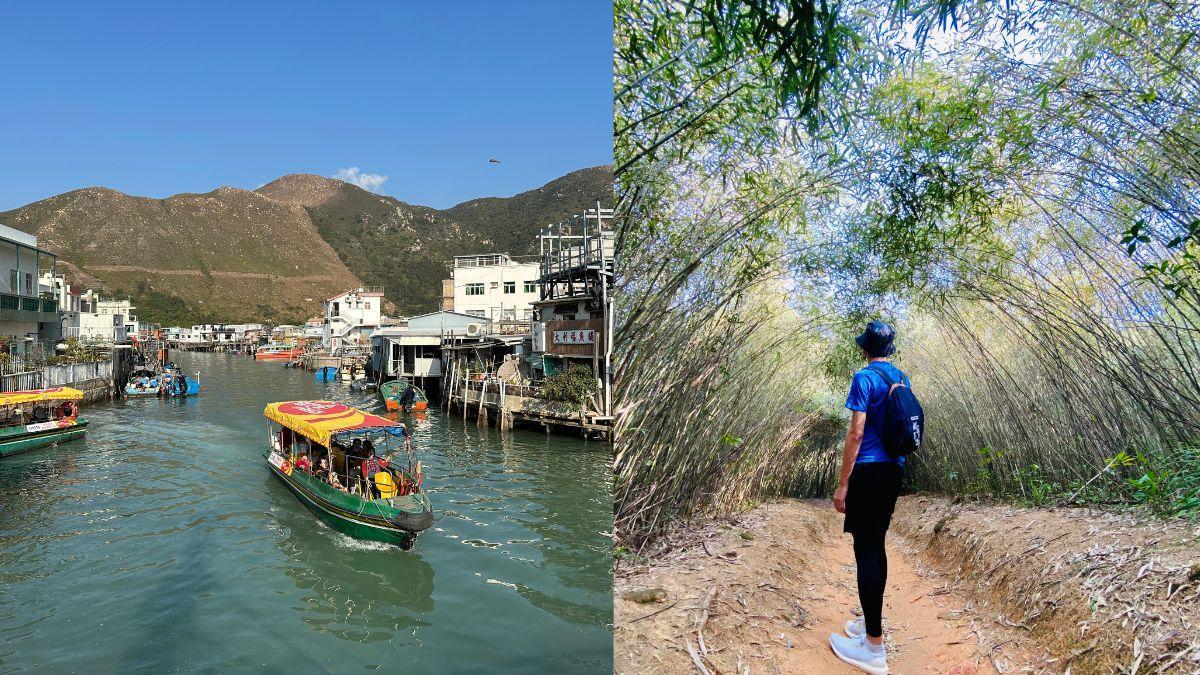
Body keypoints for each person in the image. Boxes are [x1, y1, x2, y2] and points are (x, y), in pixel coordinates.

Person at [829, 321, 910, 674]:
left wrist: (843, 483)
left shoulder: (865, 378)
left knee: (867, 549)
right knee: (876, 545)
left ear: (865, 347)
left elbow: (856, 431)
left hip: (869, 470)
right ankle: (869, 624)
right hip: (894, 469)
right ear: (890, 349)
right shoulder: (901, 378)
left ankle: (873, 649)